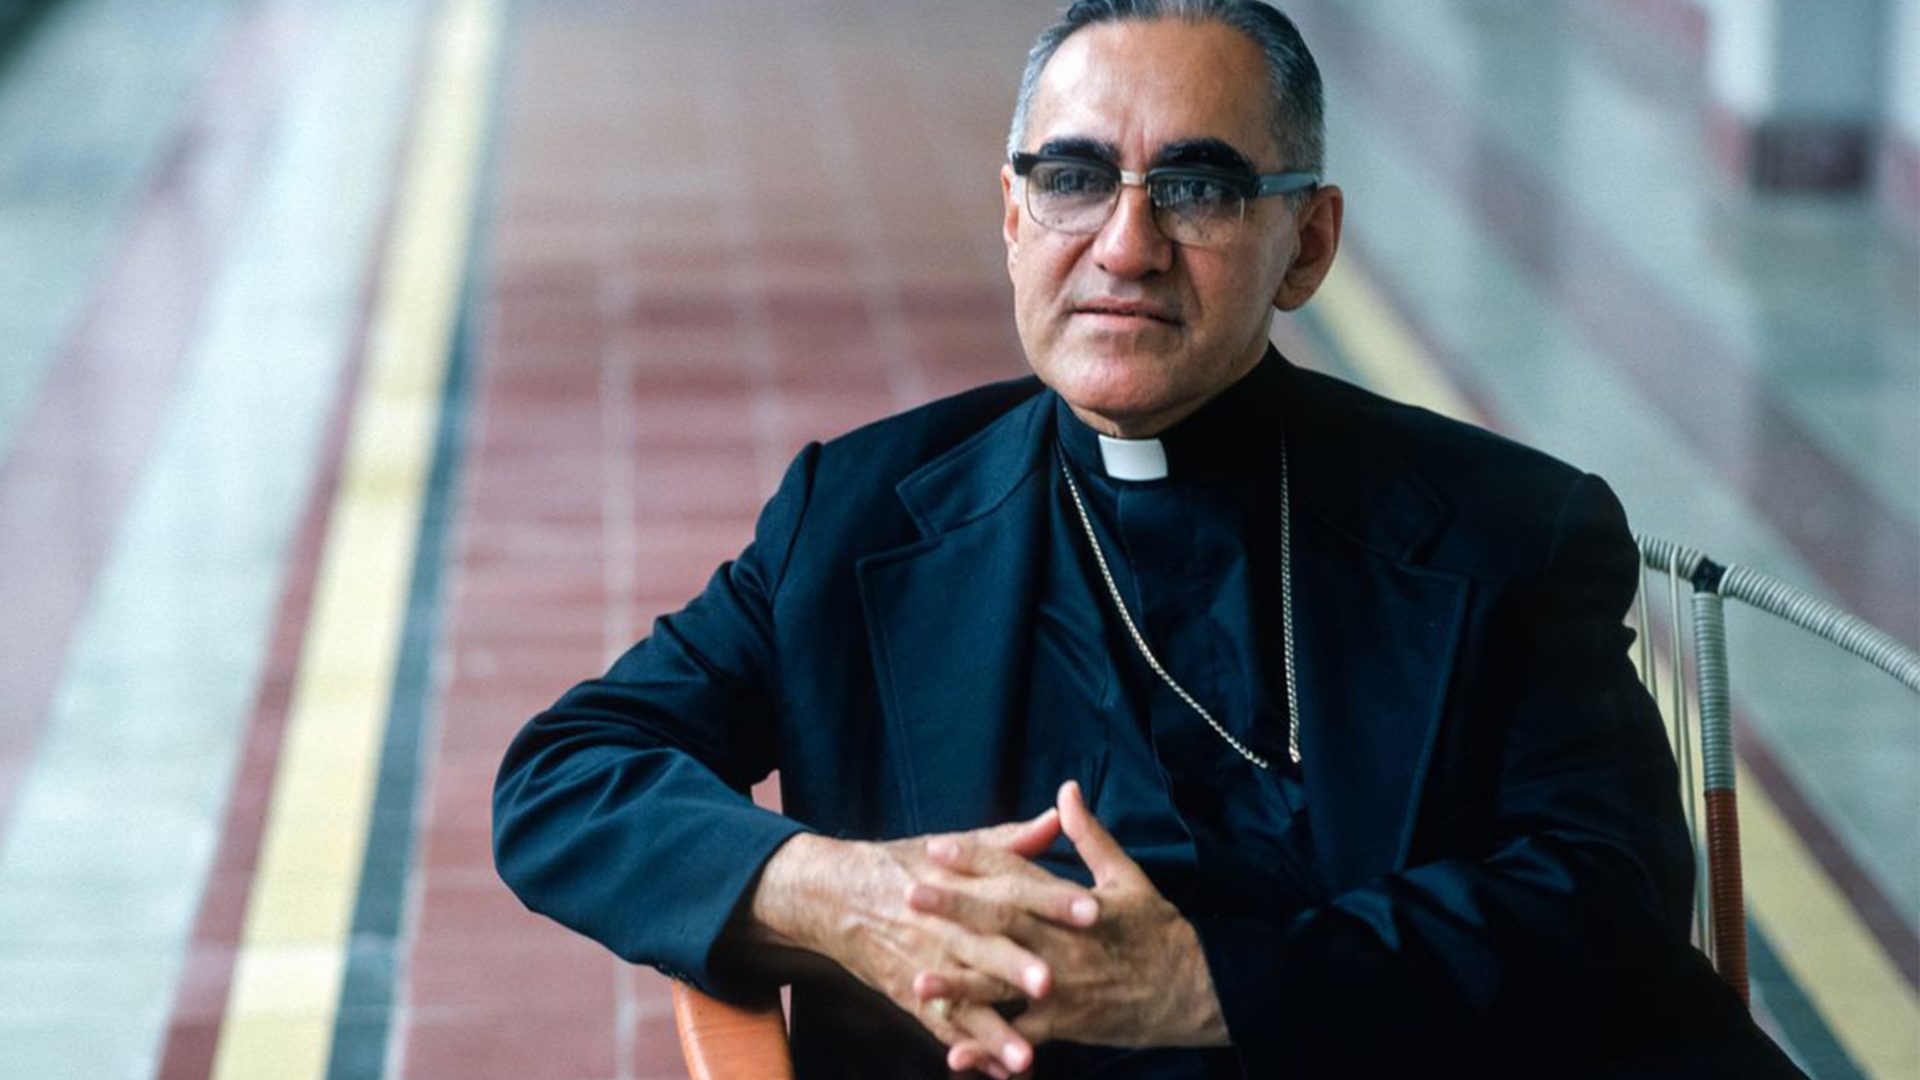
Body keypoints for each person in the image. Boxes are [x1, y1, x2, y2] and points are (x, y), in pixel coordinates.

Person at [493, 2, 1801, 1076]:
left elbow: (1610, 896)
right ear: (1015, 218)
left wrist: (1207, 985)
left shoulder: (1507, 527)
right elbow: (566, 779)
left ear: (1306, 244)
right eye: (1072, 180)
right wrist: (836, 893)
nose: (1126, 247)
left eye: (1197, 188)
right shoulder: (859, 514)